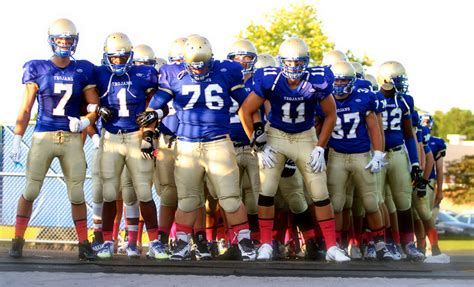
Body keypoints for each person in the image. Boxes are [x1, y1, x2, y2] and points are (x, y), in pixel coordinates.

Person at [144, 36, 256, 261]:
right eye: (194, 65)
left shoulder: (226, 71)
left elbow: (248, 103)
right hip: (187, 144)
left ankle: (244, 240)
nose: (199, 69)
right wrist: (150, 125)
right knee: (187, 199)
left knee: (230, 197)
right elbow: (157, 105)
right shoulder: (172, 74)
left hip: (218, 142)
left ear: (212, 58)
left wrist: (259, 127)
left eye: (203, 64)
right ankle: (183, 243)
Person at [239, 37, 350, 262]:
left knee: (319, 192)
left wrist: (320, 146)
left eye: (299, 63)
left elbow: (331, 114)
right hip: (276, 135)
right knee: (267, 190)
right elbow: (245, 111)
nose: (294, 68)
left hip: (305, 136)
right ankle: (266, 244)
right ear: (281, 62)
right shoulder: (270, 79)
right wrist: (256, 142)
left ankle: (331, 246)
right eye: (289, 62)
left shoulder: (317, 80)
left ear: (306, 63)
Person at [9, 18, 98, 260]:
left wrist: (85, 122)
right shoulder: (37, 68)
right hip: (44, 134)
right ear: (51, 41)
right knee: (30, 188)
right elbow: (26, 108)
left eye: (68, 39)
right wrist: (18, 136)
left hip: (70, 137)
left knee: (77, 194)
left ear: (75, 41)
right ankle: (17, 239)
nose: (64, 43)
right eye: (60, 39)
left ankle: (83, 244)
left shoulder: (82, 69)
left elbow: (94, 106)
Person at [94, 32, 161, 259]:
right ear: (106, 57)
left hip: (134, 135)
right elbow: (87, 100)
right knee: (110, 191)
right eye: (114, 58)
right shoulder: (99, 74)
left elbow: (160, 106)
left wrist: (150, 125)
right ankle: (106, 241)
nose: (118, 62)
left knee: (143, 190)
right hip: (112, 137)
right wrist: (96, 110)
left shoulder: (145, 74)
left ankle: (154, 241)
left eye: (123, 58)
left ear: (131, 56)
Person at [325, 61, 393, 260]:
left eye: (342, 80)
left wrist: (378, 153)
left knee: (371, 202)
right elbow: (319, 127)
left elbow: (374, 128)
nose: (337, 83)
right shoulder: (324, 98)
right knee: (336, 203)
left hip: (361, 155)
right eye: (335, 79)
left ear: (352, 82)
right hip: (336, 155)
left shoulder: (364, 97)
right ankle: (336, 245)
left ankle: (380, 243)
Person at [376, 61, 425, 261]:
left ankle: (408, 244)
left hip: (397, 154)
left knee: (403, 201)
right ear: (386, 80)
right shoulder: (372, 98)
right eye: (398, 79)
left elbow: (408, 135)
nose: (402, 84)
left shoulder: (405, 101)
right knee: (377, 201)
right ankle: (386, 243)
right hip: (377, 155)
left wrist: (415, 163)